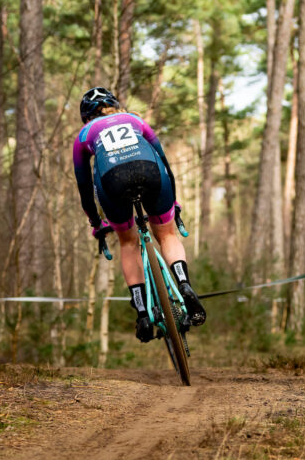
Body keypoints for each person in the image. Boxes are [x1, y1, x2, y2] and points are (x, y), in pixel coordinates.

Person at [72, 87, 206, 342]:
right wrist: (173, 202)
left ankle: (143, 312)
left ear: (86, 116)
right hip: (152, 174)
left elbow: (83, 186)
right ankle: (184, 283)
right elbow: (164, 161)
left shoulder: (84, 135)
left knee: (128, 241)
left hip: (113, 183)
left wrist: (96, 222)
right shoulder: (135, 120)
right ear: (114, 104)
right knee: (166, 234)